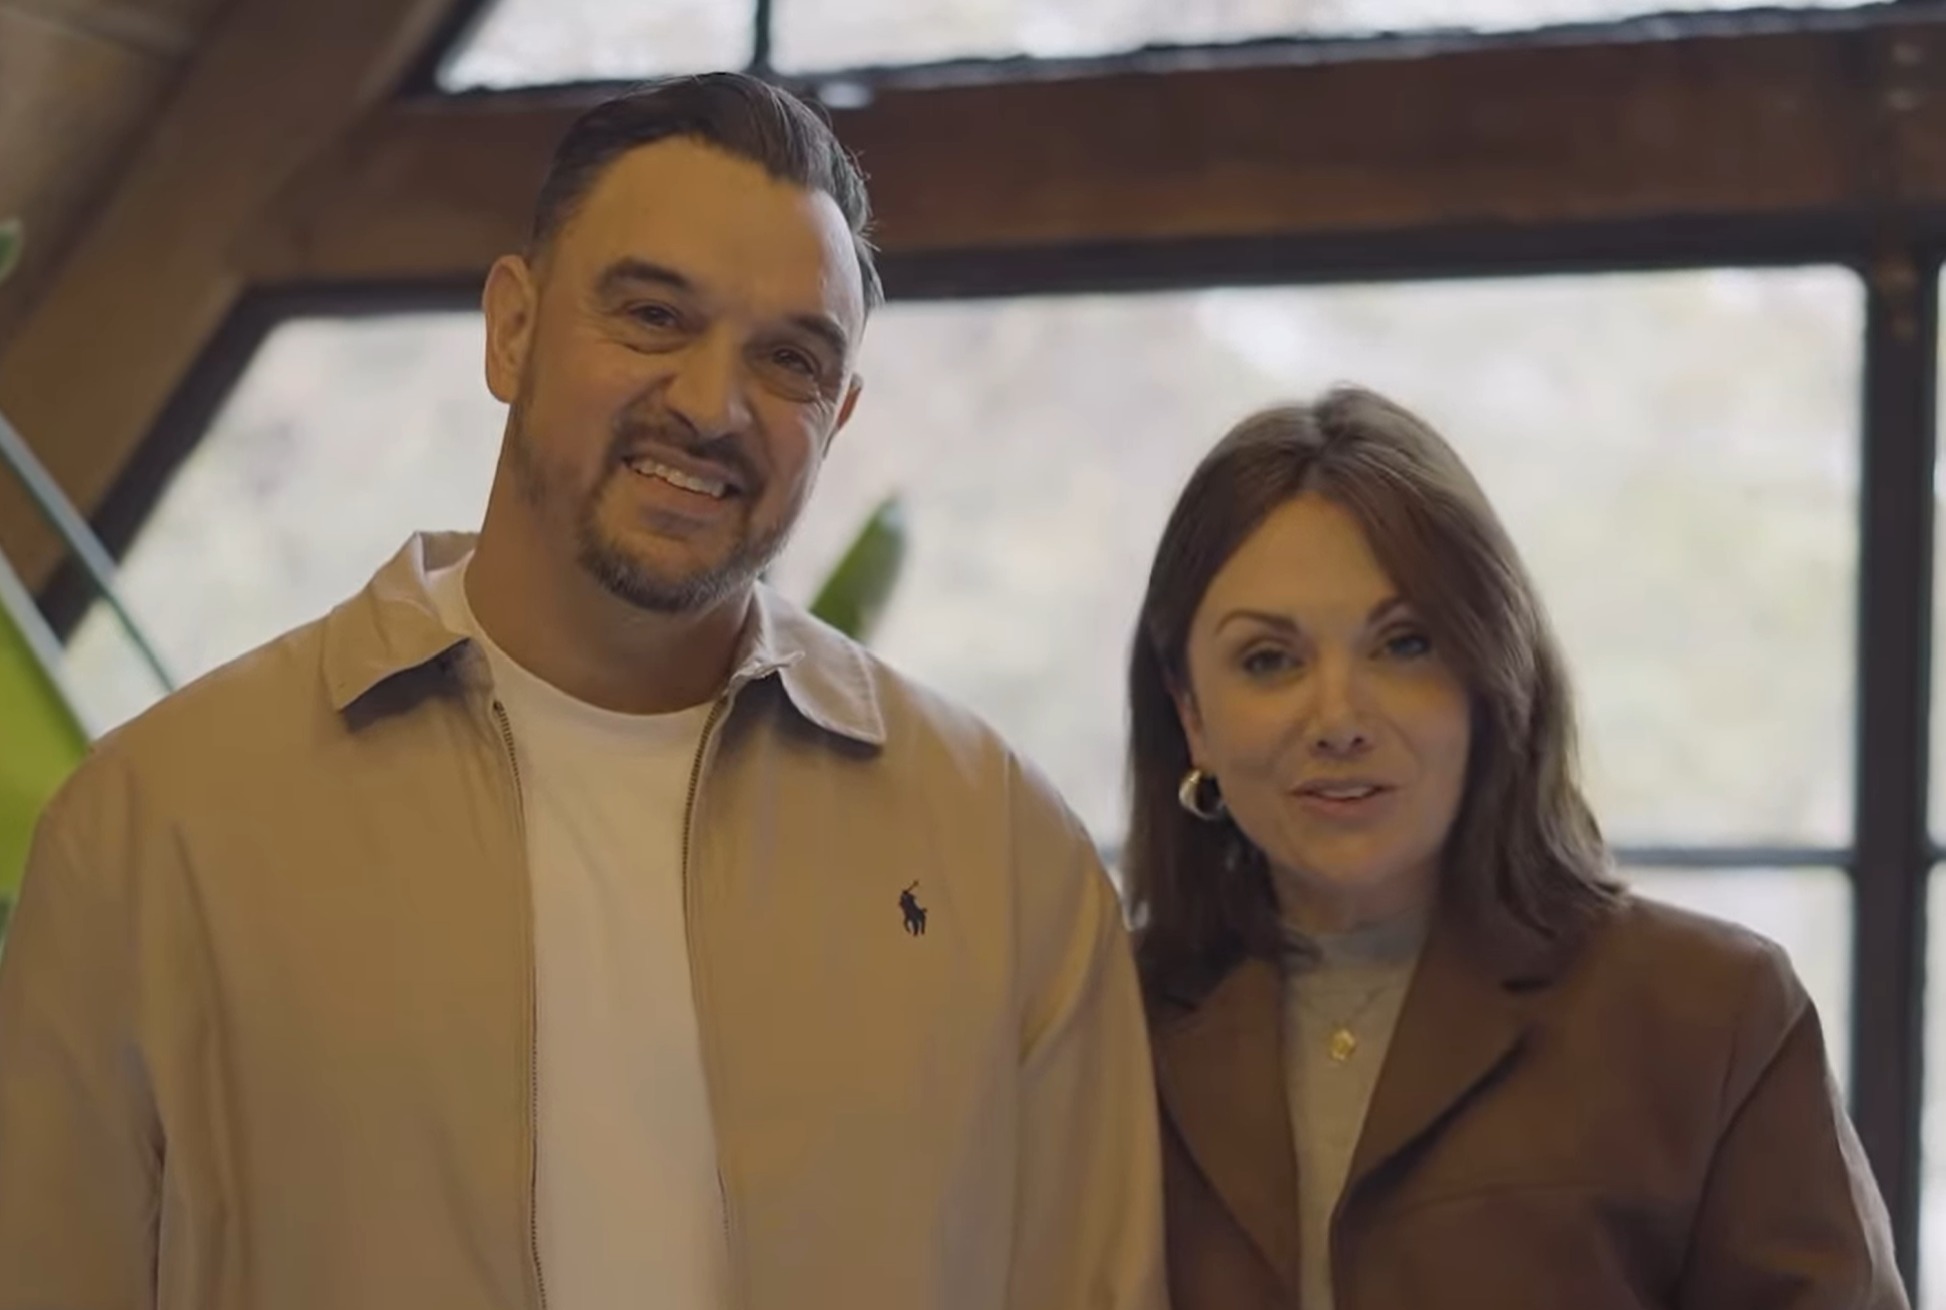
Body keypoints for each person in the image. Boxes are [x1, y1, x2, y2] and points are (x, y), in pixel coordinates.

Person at [0, 73, 1164, 1310]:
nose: (711, 405)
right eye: (653, 316)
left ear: (839, 415)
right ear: (511, 328)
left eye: (789, 360)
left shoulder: (1001, 851)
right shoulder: (160, 825)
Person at [1125, 386, 1907, 1309]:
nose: (1338, 719)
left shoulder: (1713, 1015)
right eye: (1269, 660)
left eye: (1404, 645)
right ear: (1191, 715)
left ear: (1492, 675)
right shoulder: (1102, 1024)